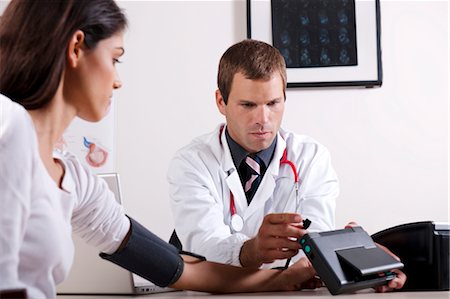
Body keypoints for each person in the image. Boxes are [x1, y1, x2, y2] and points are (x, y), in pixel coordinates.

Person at [0, 1, 322, 298]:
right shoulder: (7, 127)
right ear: (76, 48)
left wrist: (282, 280)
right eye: (115, 58)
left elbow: (179, 269)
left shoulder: (74, 179)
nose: (117, 80)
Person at [167, 39, 406, 291]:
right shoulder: (191, 162)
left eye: (272, 103)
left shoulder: (310, 157)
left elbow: (313, 250)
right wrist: (252, 250)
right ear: (220, 102)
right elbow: (203, 250)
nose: (263, 119)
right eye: (248, 105)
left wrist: (356, 259)